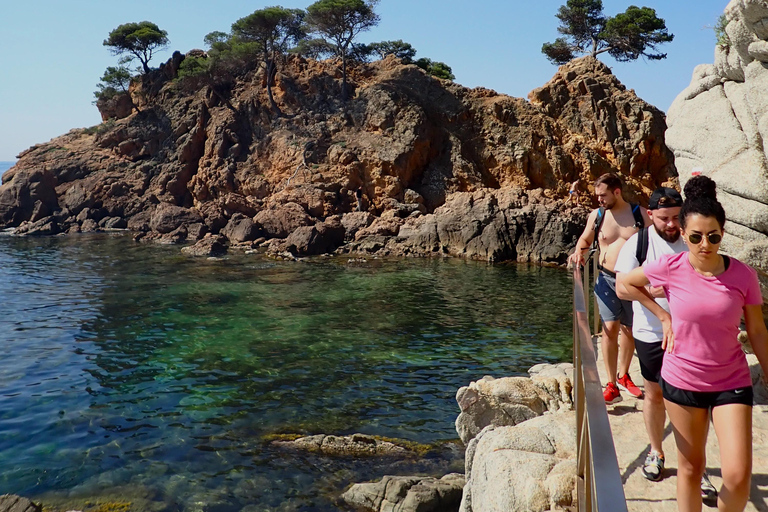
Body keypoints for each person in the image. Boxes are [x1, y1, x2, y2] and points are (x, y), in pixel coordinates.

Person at [618, 175, 768, 511]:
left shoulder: (743, 275)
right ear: (683, 234)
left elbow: (757, 330)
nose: (705, 244)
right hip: (682, 380)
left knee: (738, 475)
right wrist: (662, 314)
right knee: (690, 468)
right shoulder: (669, 266)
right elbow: (624, 285)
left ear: (722, 234)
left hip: (731, 379)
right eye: (697, 236)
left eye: (713, 236)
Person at [568, 172, 649, 404]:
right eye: (597, 196)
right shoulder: (598, 215)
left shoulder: (640, 215)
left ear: (616, 192)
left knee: (630, 330)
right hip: (605, 278)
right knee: (610, 328)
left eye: (603, 195)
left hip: (633, 281)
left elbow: (657, 243)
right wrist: (578, 252)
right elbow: (585, 240)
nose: (599, 200)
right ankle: (611, 383)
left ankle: (624, 375)